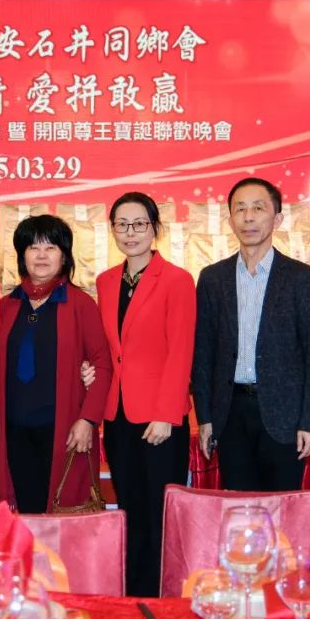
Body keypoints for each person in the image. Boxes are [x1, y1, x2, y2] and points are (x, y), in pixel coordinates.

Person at [192, 178, 310, 492]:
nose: (248, 217)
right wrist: (205, 417)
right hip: (230, 415)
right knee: (239, 508)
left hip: (285, 417)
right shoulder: (213, 278)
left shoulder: (303, 279)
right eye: (240, 209)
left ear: (277, 219)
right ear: (230, 220)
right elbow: (203, 353)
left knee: (282, 507)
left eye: (258, 208)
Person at [96, 192, 195, 597]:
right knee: (130, 509)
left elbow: (181, 350)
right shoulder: (106, 282)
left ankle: (163, 597)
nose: (130, 232)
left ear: (155, 228)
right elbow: (110, 349)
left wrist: (167, 414)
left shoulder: (176, 280)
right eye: (122, 224)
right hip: (118, 415)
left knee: (159, 513)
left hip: (160, 419)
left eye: (139, 224)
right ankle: (134, 598)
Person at [0, 215, 112, 515]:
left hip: (65, 430)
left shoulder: (81, 304)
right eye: (33, 247)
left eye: (50, 247)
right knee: (25, 515)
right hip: (14, 431)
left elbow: (102, 364)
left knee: (62, 516)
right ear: (22, 256)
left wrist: (88, 420)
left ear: (65, 255)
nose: (42, 255)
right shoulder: (6, 305)